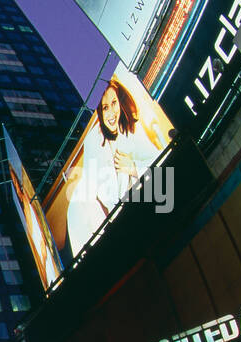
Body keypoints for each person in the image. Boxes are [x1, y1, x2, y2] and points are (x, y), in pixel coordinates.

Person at [64, 76, 165, 254]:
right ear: (100, 113)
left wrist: (133, 167)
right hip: (115, 221)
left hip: (142, 209)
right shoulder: (94, 140)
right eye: (105, 108)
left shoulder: (133, 129)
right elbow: (94, 188)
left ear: (120, 103)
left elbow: (161, 161)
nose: (111, 113)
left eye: (114, 103)